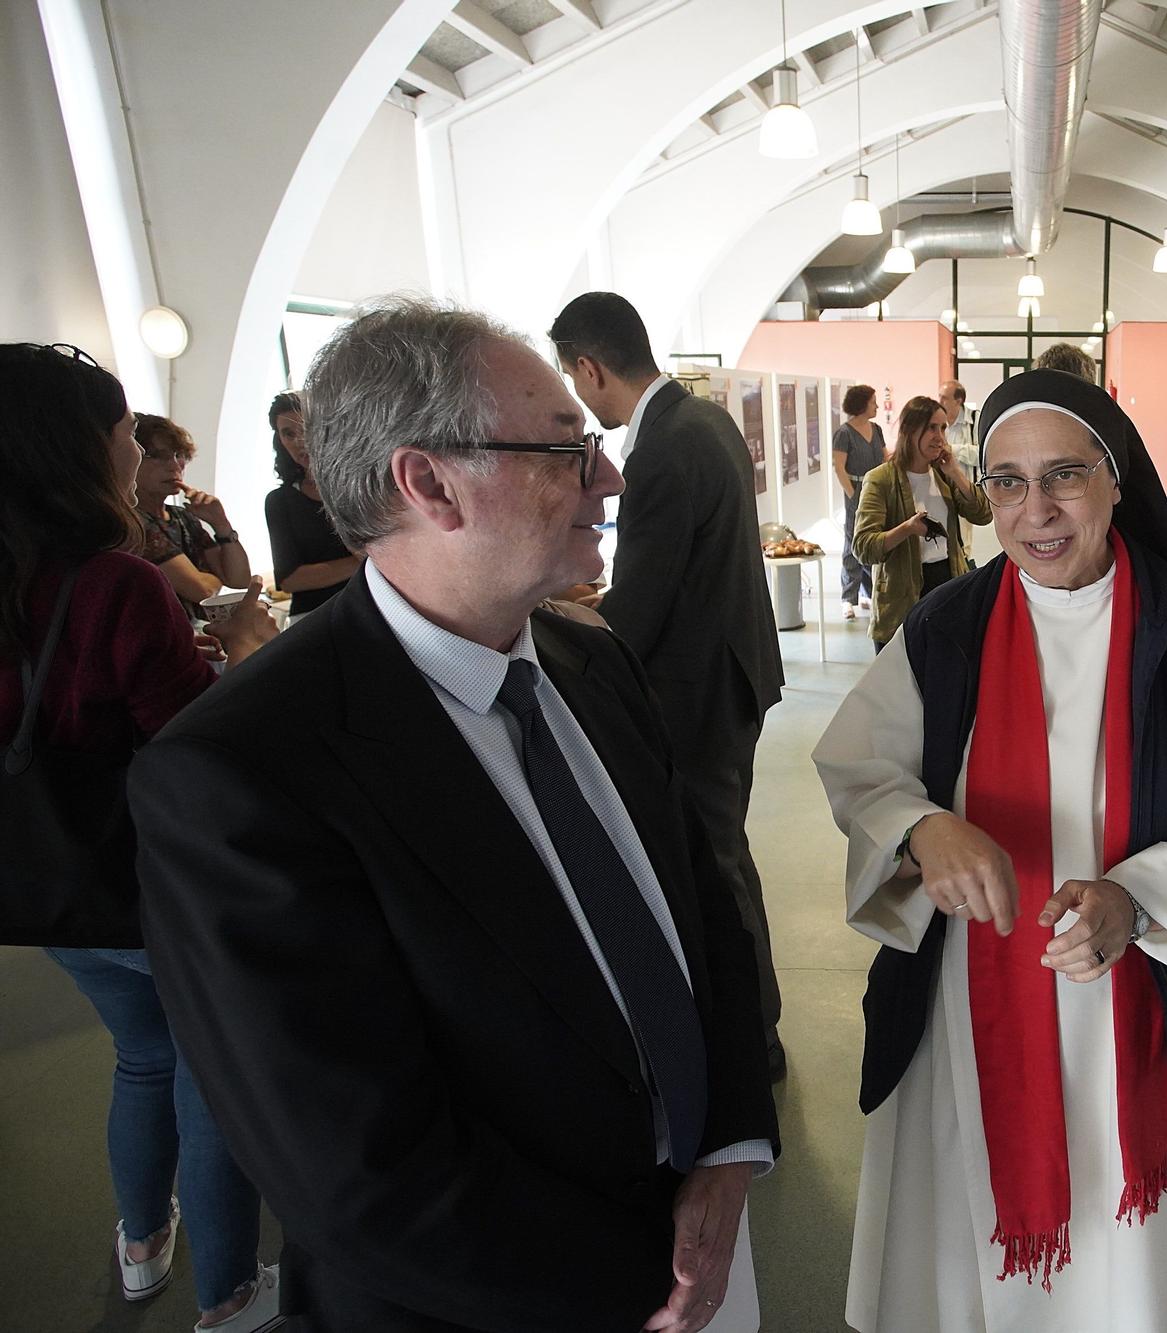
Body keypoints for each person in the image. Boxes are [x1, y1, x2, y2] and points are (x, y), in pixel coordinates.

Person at [128, 299, 780, 1332]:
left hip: (699, 1243)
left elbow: (704, 918)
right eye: (568, 449)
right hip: (512, 1303)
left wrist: (733, 1144)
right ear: (426, 482)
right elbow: (357, 1171)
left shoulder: (591, 663)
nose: (606, 477)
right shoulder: (242, 771)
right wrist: (649, 1279)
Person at [815, 369, 1167, 1331]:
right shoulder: (944, 629)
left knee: (1132, 1260)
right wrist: (924, 825)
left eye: (1065, 476)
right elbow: (858, 764)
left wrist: (1140, 897)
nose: (1034, 510)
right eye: (1004, 481)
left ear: (1117, 479)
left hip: (1146, 993)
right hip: (974, 992)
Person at [0, 343, 280, 1331]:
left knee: (141, 1059)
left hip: (47, 884)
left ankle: (138, 1243)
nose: (136, 447)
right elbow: (198, 744)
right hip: (153, 885)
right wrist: (245, 655)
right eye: (125, 429)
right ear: (82, 446)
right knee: (210, 1075)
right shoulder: (118, 583)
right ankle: (230, 1293)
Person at [550, 289, 789, 1080]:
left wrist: (556, 613)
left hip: (697, 691)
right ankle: (759, 1026)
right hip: (732, 671)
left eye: (572, 381)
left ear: (589, 367)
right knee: (726, 853)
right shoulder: (705, 419)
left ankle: (754, 1042)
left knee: (716, 864)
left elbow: (641, 606)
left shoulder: (660, 446)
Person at [851, 395, 991, 653]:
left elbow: (983, 515)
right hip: (900, 595)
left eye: (943, 428)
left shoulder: (943, 474)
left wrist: (956, 474)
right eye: (931, 428)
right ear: (909, 429)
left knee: (945, 678)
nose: (939, 436)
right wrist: (907, 529)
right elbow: (863, 548)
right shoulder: (881, 479)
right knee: (902, 685)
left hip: (948, 586)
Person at [132, 414, 254, 617]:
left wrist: (221, 524)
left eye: (178, 455)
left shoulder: (181, 516)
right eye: (157, 455)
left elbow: (239, 579)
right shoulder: (134, 521)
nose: (174, 465)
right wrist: (215, 577)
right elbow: (202, 591)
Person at [263, 391, 359, 616]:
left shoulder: (361, 485)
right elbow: (289, 580)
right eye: (288, 433)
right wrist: (365, 561)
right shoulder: (279, 501)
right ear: (280, 441)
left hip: (372, 607)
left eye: (307, 428)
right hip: (312, 615)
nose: (299, 441)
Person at [832, 384, 888, 621]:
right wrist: (853, 494)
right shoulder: (844, 433)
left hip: (877, 489)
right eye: (873, 401)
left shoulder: (876, 429)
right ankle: (848, 597)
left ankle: (867, 591)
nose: (876, 405)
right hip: (857, 491)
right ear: (861, 403)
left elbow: (885, 457)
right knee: (852, 540)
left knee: (873, 537)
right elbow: (839, 467)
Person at [939, 378, 975, 476]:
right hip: (944, 486)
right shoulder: (936, 422)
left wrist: (952, 449)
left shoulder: (976, 420)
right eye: (939, 396)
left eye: (944, 398)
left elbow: (983, 455)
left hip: (969, 486)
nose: (939, 402)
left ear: (958, 401)